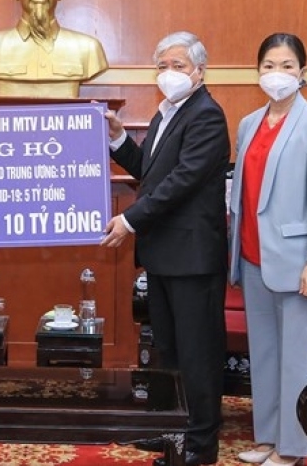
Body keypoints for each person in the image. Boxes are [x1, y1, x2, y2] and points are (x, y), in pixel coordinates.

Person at [101, 31, 230, 466]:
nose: (169, 73)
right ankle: (173, 432)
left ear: (200, 71)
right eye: (162, 66)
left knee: (198, 355)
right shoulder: (167, 114)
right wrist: (119, 138)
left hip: (193, 259)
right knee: (169, 352)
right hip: (163, 256)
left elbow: (182, 181)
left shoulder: (206, 115)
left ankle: (200, 445)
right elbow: (150, 172)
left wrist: (129, 220)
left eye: (178, 65)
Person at [228, 33, 307, 466]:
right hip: (253, 255)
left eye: (287, 65)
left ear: (303, 72)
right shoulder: (249, 123)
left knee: (297, 357)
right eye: (269, 66)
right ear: (258, 72)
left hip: (296, 260)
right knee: (265, 354)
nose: (278, 74)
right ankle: (268, 437)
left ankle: (294, 446)